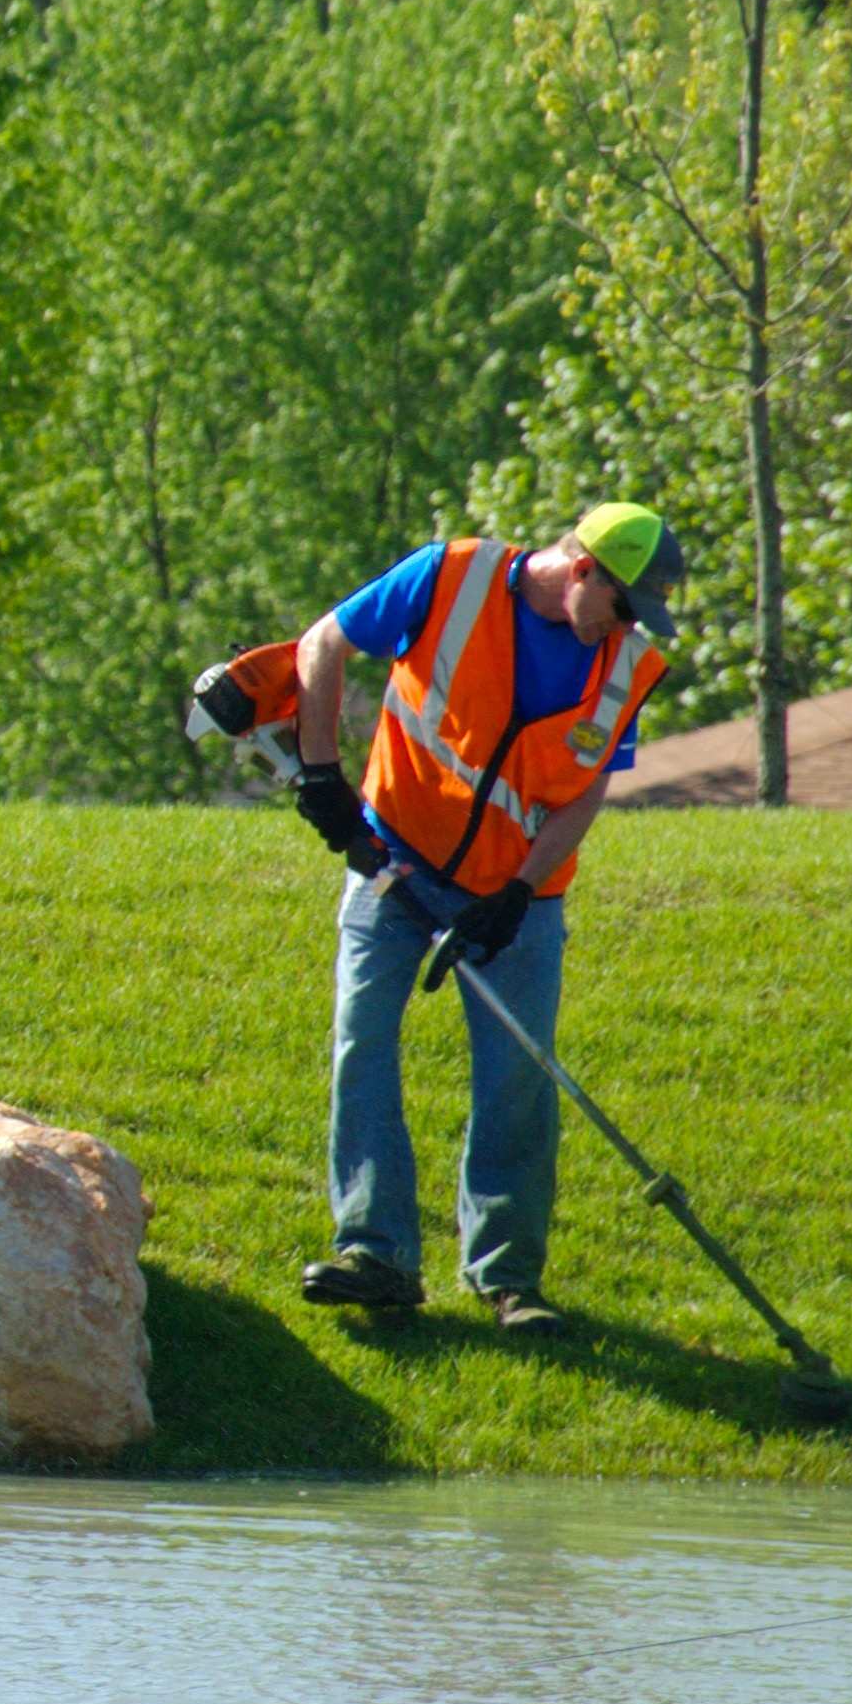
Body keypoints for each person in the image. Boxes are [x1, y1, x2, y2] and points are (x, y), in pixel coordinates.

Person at [256, 504, 683, 1334]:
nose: (627, 629)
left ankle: (508, 1281)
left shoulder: (628, 664)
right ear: (585, 569)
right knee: (362, 1040)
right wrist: (320, 777)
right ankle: (376, 1255)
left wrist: (519, 892)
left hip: (519, 900)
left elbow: (585, 792)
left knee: (518, 1080)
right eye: (624, 606)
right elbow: (322, 644)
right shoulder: (450, 576)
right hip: (392, 860)